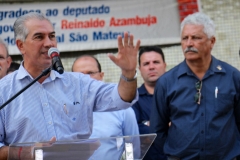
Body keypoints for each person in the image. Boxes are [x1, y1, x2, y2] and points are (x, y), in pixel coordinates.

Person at [0, 12, 140, 160]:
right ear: (21, 45)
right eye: (39, 37)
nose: (49, 43)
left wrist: (128, 73)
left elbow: (122, 98)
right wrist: (23, 153)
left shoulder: (79, 83)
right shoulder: (3, 90)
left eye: (52, 36)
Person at [150, 12, 240, 160]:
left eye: (196, 38)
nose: (189, 44)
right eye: (185, 38)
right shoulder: (166, 82)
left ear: (212, 42)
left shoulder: (232, 77)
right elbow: (157, 130)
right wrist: (177, 152)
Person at [72, 55, 139, 160]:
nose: (85, 78)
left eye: (90, 73)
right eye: (79, 74)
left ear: (101, 75)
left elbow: (133, 150)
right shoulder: (65, 109)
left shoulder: (122, 109)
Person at [131, 46, 167, 160]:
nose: (151, 67)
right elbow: (134, 131)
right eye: (146, 64)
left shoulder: (178, 95)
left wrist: (151, 125)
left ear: (165, 66)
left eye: (156, 62)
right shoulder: (132, 99)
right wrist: (166, 125)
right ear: (139, 69)